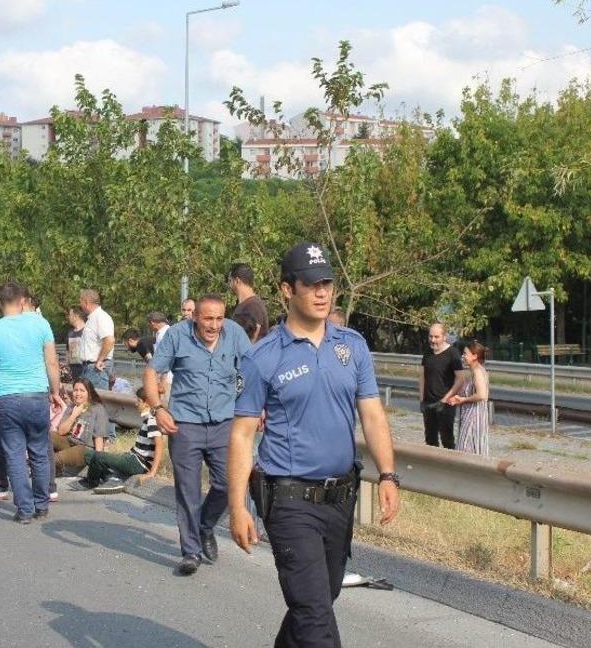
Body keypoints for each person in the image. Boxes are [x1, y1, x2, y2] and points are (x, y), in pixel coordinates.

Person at [228, 241, 401, 648]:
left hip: (341, 496)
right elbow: (241, 434)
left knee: (322, 598)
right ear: (287, 289)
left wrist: (388, 475)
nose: (322, 293)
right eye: (311, 285)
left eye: (327, 283)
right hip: (289, 500)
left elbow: (373, 415)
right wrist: (237, 507)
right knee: (315, 615)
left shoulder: (352, 346)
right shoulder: (263, 357)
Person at [145, 294, 251, 576]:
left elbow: (253, 370)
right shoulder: (177, 336)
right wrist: (158, 409)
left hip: (224, 423)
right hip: (185, 425)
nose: (214, 325)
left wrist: (256, 407)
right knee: (187, 491)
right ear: (195, 317)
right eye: (207, 318)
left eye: (219, 318)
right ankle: (190, 551)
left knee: (229, 483)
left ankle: (205, 525)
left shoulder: (236, 335)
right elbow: (152, 371)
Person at [0, 281, 63, 524]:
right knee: (39, 451)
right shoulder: (41, 324)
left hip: (7, 398)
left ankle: (24, 510)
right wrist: (55, 391)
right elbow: (52, 362)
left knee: (14, 454)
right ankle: (41, 504)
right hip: (37, 394)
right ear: (23, 300)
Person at [89, 387, 165, 494]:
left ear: (146, 403)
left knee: (99, 456)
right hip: (132, 457)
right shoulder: (147, 419)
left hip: (138, 463)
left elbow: (160, 445)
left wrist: (152, 472)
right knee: (91, 455)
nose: (136, 404)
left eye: (138, 401)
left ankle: (91, 482)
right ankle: (114, 479)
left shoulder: (152, 420)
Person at [53, 377, 110, 489]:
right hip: (70, 442)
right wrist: (74, 414)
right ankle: (52, 469)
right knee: (48, 436)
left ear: (89, 393)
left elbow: (99, 437)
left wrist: (98, 461)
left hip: (84, 448)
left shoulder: (98, 409)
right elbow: (61, 431)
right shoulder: (71, 407)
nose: (77, 393)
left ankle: (50, 468)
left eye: (82, 391)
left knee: (55, 458)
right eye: (75, 390)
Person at [419, 323, 466, 449]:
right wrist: (422, 399)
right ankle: (432, 466)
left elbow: (461, 379)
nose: (433, 340)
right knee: (430, 438)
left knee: (447, 438)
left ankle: (450, 466)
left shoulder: (453, 353)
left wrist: (445, 400)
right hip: (429, 402)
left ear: (444, 337)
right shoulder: (428, 352)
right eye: (431, 336)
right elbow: (423, 376)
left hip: (445, 403)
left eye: (436, 337)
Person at [448, 341, 490, 458]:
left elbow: (482, 395)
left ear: (474, 356)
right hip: (470, 415)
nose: (463, 356)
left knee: (466, 449)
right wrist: (458, 398)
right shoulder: (474, 371)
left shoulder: (477, 371)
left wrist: (463, 399)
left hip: (473, 417)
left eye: (466, 353)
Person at [79, 289, 114, 390]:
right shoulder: (91, 319)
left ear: (86, 302)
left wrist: (100, 360)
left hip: (96, 369)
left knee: (97, 402)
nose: (80, 305)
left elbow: (109, 340)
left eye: (81, 302)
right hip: (89, 367)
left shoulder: (101, 317)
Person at [228, 262, 269, 340]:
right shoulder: (246, 304)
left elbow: (250, 340)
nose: (229, 285)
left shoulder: (253, 305)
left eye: (230, 280)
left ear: (237, 281)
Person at [66, 305, 87, 381]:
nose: (69, 317)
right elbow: (68, 351)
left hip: (85, 369)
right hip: (73, 371)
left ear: (76, 316)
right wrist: (66, 366)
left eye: (70, 315)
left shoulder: (87, 331)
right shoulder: (70, 333)